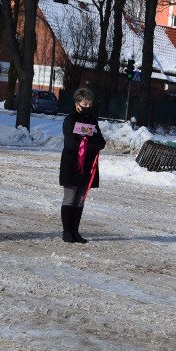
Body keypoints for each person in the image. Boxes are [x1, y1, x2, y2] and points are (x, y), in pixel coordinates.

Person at [60, 87, 105, 243]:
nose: (88, 106)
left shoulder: (93, 120)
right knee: (70, 198)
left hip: (88, 166)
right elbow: (71, 143)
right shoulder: (70, 120)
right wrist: (88, 144)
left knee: (80, 199)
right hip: (72, 164)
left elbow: (101, 142)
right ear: (77, 104)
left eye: (90, 103)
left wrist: (88, 144)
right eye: (85, 103)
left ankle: (75, 232)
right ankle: (67, 232)